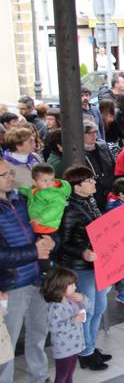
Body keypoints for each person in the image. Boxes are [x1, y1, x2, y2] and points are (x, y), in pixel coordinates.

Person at [0, 155, 56, 383]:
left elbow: (45, 225)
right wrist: (35, 252)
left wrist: (52, 241)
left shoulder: (23, 200)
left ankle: (39, 376)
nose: (11, 178)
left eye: (11, 173)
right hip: (11, 285)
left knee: (39, 333)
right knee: (6, 345)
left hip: (37, 277)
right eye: (5, 175)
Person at [57, 164, 112, 371]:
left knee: (99, 307)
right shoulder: (70, 209)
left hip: (97, 264)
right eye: (89, 181)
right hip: (80, 267)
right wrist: (82, 252)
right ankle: (85, 352)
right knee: (85, 310)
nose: (94, 182)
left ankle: (90, 346)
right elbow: (62, 242)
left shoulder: (90, 201)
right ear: (77, 187)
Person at [18, 163, 70, 272]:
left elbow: (55, 209)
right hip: (37, 226)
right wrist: (18, 190)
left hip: (46, 226)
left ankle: (47, 271)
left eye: (51, 180)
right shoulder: (34, 190)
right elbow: (28, 192)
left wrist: (40, 219)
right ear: (34, 182)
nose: (49, 183)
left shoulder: (54, 194)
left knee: (44, 250)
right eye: (45, 180)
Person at [40, 267, 88, 383]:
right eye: (71, 285)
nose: (75, 287)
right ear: (60, 287)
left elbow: (88, 306)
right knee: (62, 376)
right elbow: (55, 327)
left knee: (69, 373)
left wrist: (82, 298)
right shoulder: (55, 306)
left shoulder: (70, 299)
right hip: (64, 349)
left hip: (74, 346)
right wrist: (74, 320)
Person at [83, 120, 115, 210]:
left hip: (111, 193)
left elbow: (113, 165)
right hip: (94, 196)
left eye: (95, 132)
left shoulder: (103, 146)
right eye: (90, 133)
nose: (94, 135)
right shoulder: (78, 153)